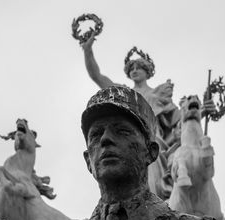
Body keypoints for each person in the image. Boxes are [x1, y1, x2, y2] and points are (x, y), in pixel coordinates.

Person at [43, 86, 225, 220]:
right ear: (88, 161)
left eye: (122, 131)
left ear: (151, 152)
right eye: (96, 134)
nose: (105, 139)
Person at [80, 33, 215, 200]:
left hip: (154, 142)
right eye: (131, 69)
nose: (135, 71)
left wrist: (201, 111)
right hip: (126, 140)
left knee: (152, 166)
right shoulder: (123, 93)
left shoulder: (158, 96)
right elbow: (97, 76)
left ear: (147, 71)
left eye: (138, 68)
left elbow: (182, 119)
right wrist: (87, 51)